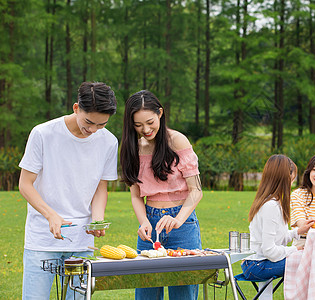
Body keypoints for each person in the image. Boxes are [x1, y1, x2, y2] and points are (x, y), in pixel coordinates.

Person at [18, 81, 118, 299]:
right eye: (89, 122)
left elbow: (101, 187)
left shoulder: (109, 141)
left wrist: (97, 220)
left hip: (82, 242)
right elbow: (25, 184)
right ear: (76, 108)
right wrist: (50, 214)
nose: (93, 130)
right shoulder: (43, 134)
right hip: (42, 239)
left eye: (101, 125)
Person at [120, 90, 203, 300]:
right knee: (146, 294)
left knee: (183, 294)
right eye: (138, 125)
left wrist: (177, 219)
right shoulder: (133, 147)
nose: (145, 129)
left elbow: (196, 191)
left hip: (183, 226)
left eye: (149, 122)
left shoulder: (177, 141)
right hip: (151, 224)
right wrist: (143, 222)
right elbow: (136, 196)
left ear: (160, 113)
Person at [241, 155, 315, 285]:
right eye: (292, 179)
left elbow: (278, 238)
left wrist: (298, 231)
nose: (292, 183)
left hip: (259, 262)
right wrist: (295, 250)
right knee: (309, 261)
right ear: (284, 179)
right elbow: (269, 251)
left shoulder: (273, 203)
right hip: (257, 266)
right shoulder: (271, 206)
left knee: (308, 259)